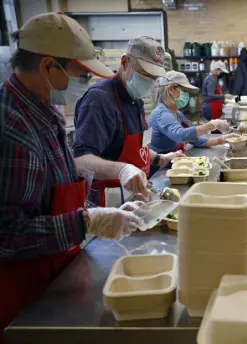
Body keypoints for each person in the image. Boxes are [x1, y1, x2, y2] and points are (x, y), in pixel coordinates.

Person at [0, 13, 143, 343]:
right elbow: (7, 234)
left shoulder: (44, 111)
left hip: (55, 273)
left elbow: (57, 176)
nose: (86, 84)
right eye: (80, 75)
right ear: (49, 66)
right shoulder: (13, 127)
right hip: (25, 301)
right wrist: (85, 221)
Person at [74, 36, 181, 207]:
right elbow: (80, 161)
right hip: (110, 201)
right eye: (146, 74)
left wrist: (160, 158)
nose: (150, 81)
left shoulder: (135, 99)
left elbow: (138, 146)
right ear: (125, 62)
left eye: (154, 77)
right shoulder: (99, 100)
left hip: (136, 196)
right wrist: (122, 170)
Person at [148, 71, 234, 175]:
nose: (186, 95)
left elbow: (194, 139)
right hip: (158, 170)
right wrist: (213, 124)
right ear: (171, 89)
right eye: (184, 90)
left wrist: (222, 139)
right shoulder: (161, 114)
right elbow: (181, 135)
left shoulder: (178, 114)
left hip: (173, 165)